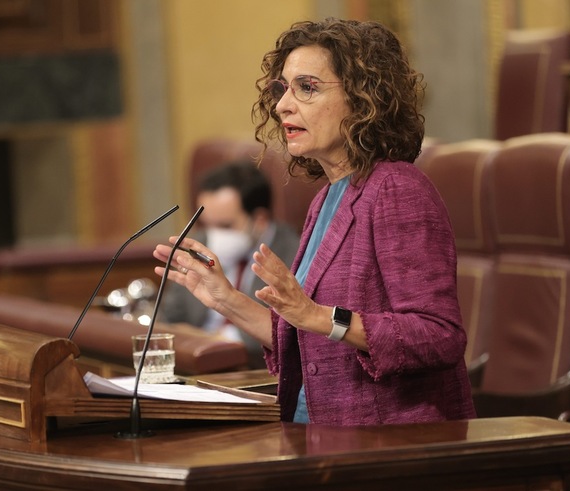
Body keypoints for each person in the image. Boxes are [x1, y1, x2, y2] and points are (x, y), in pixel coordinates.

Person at [154, 18, 476, 425]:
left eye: (306, 87)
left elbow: (438, 336)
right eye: (283, 88)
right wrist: (224, 298)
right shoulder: (327, 197)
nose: (282, 104)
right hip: (318, 432)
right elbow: (305, 338)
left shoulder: (398, 188)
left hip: (388, 444)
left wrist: (320, 316)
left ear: (363, 100)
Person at [161, 160, 299, 368]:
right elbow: (168, 317)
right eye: (207, 224)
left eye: (225, 225)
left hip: (253, 371)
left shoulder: (294, 253)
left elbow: (285, 333)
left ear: (260, 219)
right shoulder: (199, 244)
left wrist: (214, 340)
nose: (214, 235)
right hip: (195, 364)